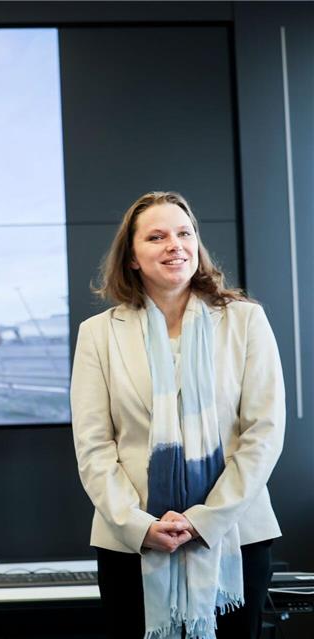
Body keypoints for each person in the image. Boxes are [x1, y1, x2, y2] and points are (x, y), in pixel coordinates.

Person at [70, 191, 285, 639]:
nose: (175, 244)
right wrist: (140, 525)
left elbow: (263, 434)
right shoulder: (98, 335)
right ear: (131, 257)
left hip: (235, 535)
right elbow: (93, 445)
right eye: (157, 236)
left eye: (184, 233)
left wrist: (205, 519)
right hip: (131, 542)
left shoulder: (246, 321)